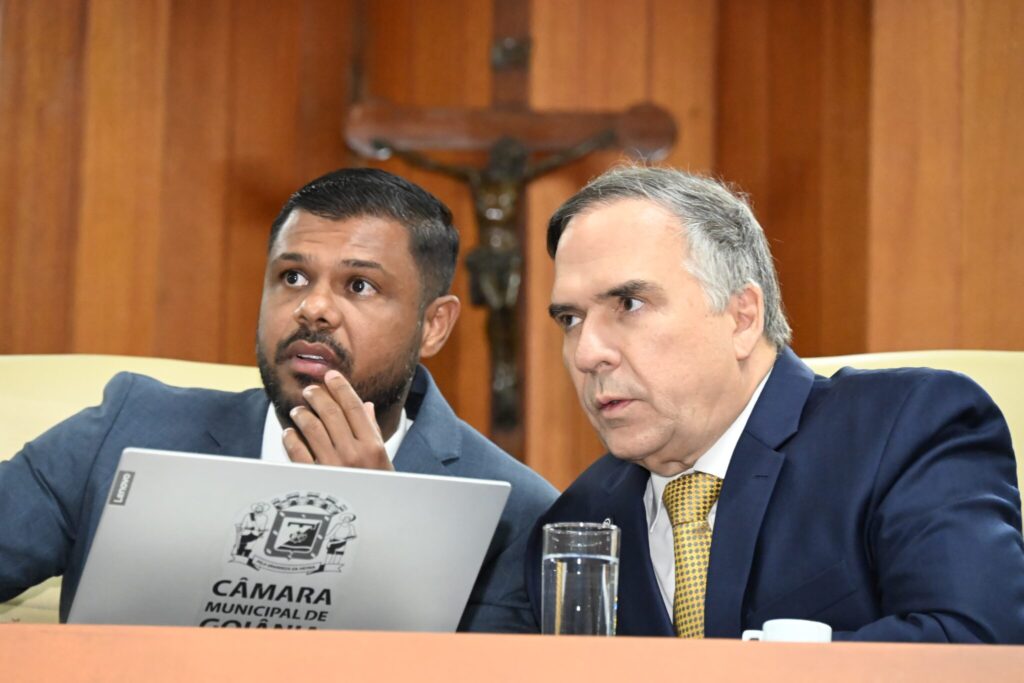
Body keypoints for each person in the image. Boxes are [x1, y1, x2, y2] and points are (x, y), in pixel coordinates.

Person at [0, 167, 557, 632]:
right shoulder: (125, 429)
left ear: (433, 325)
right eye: (292, 277)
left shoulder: (515, 515)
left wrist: (385, 530)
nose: (313, 308)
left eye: (359, 285)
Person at [526, 166, 1024, 642]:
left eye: (629, 305)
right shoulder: (576, 519)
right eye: (570, 318)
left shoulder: (906, 429)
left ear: (742, 317)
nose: (588, 353)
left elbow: (974, 644)